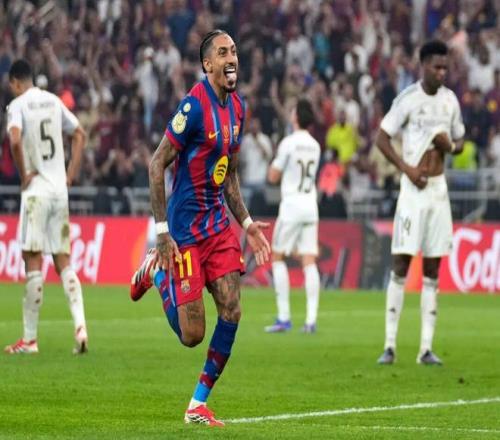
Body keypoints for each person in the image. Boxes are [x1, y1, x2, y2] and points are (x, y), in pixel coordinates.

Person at [129, 30, 270, 426]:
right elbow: (156, 164)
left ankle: (196, 405)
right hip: (185, 232)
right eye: (223, 52)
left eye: (234, 51)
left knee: (233, 309)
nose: (232, 58)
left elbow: (229, 174)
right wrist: (162, 233)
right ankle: (157, 273)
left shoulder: (238, 108)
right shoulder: (193, 107)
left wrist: (246, 223)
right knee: (192, 335)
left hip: (218, 227)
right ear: (207, 64)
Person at [375, 41, 465, 366]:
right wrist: (407, 169)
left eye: (445, 68)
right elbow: (381, 138)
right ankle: (389, 345)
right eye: (436, 67)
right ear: (423, 65)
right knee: (401, 264)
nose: (441, 73)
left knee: (432, 269)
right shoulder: (408, 99)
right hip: (412, 192)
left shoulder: (450, 100)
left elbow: (461, 141)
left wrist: (450, 146)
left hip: (438, 191)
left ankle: (426, 348)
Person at [4, 59, 88, 355]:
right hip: (59, 191)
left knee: (32, 260)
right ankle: (81, 327)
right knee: (63, 261)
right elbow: (80, 134)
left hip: (36, 192)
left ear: (16, 83)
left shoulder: (17, 105)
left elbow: (15, 140)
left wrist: (24, 173)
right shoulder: (53, 101)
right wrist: (70, 175)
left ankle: (29, 340)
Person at [264, 98, 322, 334]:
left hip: (291, 206)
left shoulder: (288, 143)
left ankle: (284, 317)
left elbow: (273, 177)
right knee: (309, 260)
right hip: (310, 206)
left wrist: (273, 165)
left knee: (277, 256)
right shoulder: (315, 146)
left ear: (296, 117)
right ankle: (310, 320)